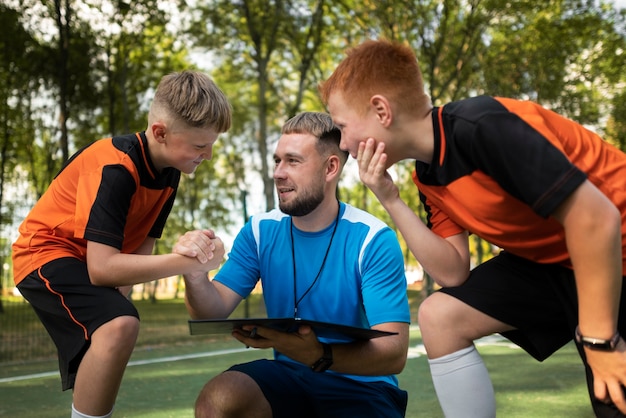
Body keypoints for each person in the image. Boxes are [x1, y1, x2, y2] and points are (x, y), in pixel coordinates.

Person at [318, 38, 626, 417]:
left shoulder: (482, 126)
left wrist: (599, 341)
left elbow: (596, 218)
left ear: (381, 110)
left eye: (343, 127)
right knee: (440, 316)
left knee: (614, 397)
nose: (344, 143)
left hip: (609, 248)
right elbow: (452, 271)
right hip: (555, 262)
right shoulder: (428, 176)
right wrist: (389, 197)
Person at [11, 70, 231, 418]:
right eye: (200, 145)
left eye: (211, 145)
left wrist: (197, 251)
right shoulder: (115, 167)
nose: (207, 155)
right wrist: (191, 262)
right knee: (121, 324)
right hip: (44, 254)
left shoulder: (170, 175)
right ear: (160, 132)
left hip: (84, 264)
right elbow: (102, 269)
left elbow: (136, 257)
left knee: (119, 323)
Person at [176, 111, 410, 418]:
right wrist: (195, 276)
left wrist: (319, 354)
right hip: (290, 378)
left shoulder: (373, 239)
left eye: (293, 161)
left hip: (364, 387)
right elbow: (211, 310)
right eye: (277, 161)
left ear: (330, 167)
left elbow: (394, 355)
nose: (278, 172)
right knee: (220, 399)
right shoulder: (260, 231)